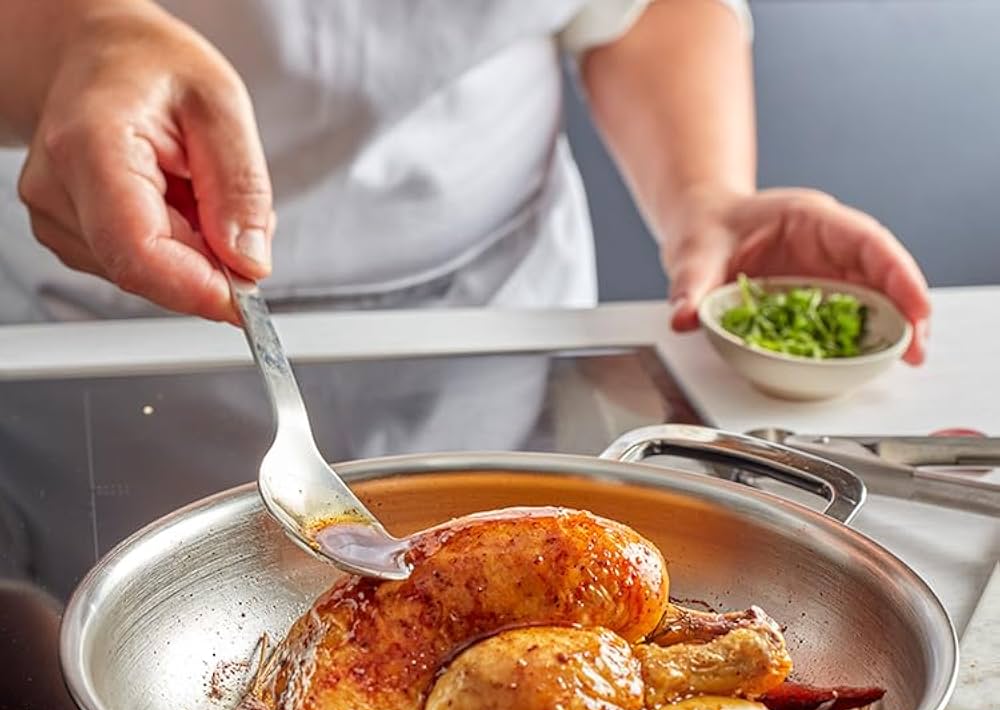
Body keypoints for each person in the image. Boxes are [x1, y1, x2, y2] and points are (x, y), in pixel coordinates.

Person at [0, 0, 930, 360]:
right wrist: (81, 40)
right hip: (106, 322)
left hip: (508, 321)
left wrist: (706, 196)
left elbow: (642, 9)